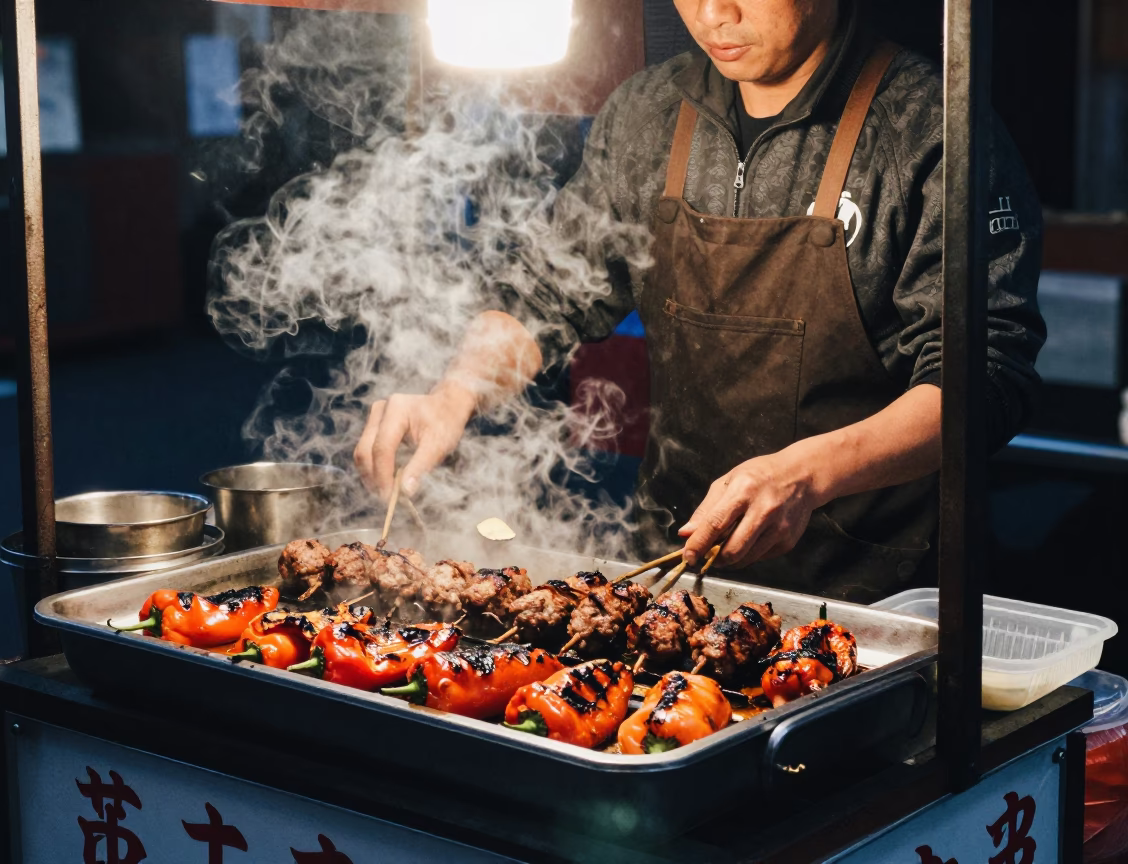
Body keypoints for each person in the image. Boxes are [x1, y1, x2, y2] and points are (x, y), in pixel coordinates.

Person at [354, 0, 1045, 603]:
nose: (713, 15)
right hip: (673, 581)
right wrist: (455, 392)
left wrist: (807, 475)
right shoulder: (648, 113)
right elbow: (545, 288)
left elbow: (982, 378)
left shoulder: (932, 128)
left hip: (876, 599)